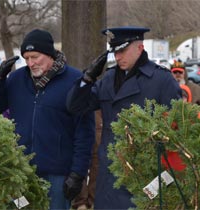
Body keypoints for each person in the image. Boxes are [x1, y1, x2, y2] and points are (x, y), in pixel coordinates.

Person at [66, 26, 182, 209]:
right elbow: (75, 106)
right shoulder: (108, 78)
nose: (117, 57)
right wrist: (88, 78)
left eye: (122, 50)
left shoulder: (161, 80)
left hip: (143, 179)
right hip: (108, 180)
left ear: (140, 48)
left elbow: (177, 135)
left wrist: (163, 182)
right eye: (115, 52)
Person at [0, 29, 95, 210]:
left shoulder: (74, 81)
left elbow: (85, 133)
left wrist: (77, 174)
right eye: (26, 58)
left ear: (49, 54)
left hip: (57, 176)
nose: (30, 63)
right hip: (20, 173)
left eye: (35, 57)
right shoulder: (16, 79)